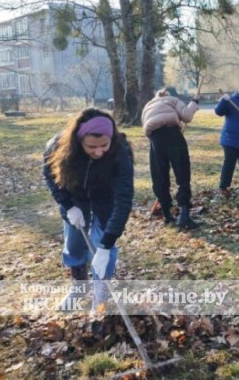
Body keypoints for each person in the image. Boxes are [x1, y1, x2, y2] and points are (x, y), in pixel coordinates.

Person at [43, 108, 134, 312]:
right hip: (75, 197)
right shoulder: (58, 147)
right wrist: (68, 205)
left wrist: (106, 244)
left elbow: (124, 199)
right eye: (92, 146)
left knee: (104, 250)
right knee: (74, 243)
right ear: (79, 140)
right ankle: (79, 287)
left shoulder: (120, 152)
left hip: (106, 198)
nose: (99, 151)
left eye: (104, 145)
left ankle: (100, 295)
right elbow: (50, 176)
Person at [142, 88, 201, 230]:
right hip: (173, 135)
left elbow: (145, 123)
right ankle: (184, 214)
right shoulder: (172, 100)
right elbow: (187, 116)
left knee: (159, 175)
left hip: (154, 138)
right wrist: (194, 102)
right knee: (182, 173)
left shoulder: (148, 105)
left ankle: (167, 214)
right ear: (167, 96)